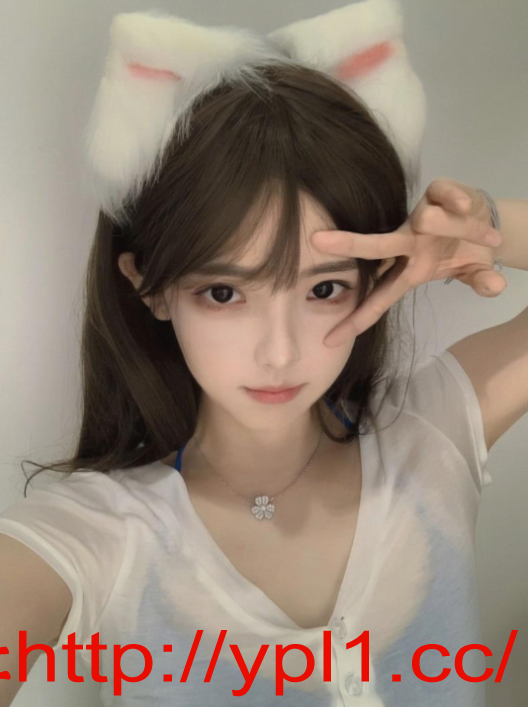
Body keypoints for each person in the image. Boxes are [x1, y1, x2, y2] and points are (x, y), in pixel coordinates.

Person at [1, 3, 527, 706]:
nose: (280, 352)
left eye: (324, 288)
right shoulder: (97, 534)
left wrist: (490, 227)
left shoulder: (432, 433)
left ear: (376, 277)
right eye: (224, 293)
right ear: (150, 287)